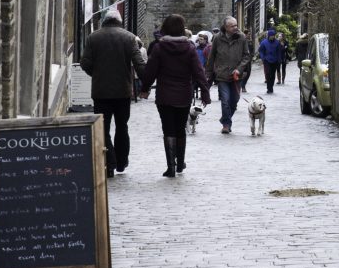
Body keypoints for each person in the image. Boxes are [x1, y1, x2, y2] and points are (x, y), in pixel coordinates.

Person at [139, 14, 211, 178]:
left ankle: (171, 166)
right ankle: (180, 163)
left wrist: (145, 88)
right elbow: (199, 72)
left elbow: (150, 71)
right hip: (184, 94)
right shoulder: (190, 48)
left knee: (168, 129)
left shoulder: (159, 48)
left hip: (164, 95)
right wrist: (205, 93)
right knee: (180, 129)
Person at [80, 10, 146, 178]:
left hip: (101, 92)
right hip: (123, 91)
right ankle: (122, 162)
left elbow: (85, 62)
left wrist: (96, 75)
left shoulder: (93, 37)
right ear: (119, 21)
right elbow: (139, 64)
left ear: (105, 21)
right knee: (122, 126)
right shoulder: (129, 37)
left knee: (103, 128)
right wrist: (145, 83)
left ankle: (109, 163)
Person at [205, 17, 251, 134]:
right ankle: (226, 124)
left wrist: (239, 69)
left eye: (236, 25)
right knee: (225, 100)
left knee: (234, 101)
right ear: (225, 27)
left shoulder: (241, 38)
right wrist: (208, 73)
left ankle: (225, 118)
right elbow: (212, 57)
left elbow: (246, 56)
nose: (236, 27)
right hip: (222, 75)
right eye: (232, 26)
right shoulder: (217, 38)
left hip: (236, 76)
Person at [258, 29, 285, 94]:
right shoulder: (264, 42)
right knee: (268, 73)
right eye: (271, 36)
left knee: (272, 75)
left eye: (273, 35)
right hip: (267, 60)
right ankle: (268, 87)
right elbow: (261, 51)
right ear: (269, 36)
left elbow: (279, 52)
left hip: (275, 60)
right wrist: (263, 58)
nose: (272, 37)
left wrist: (279, 60)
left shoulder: (277, 43)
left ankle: (271, 87)